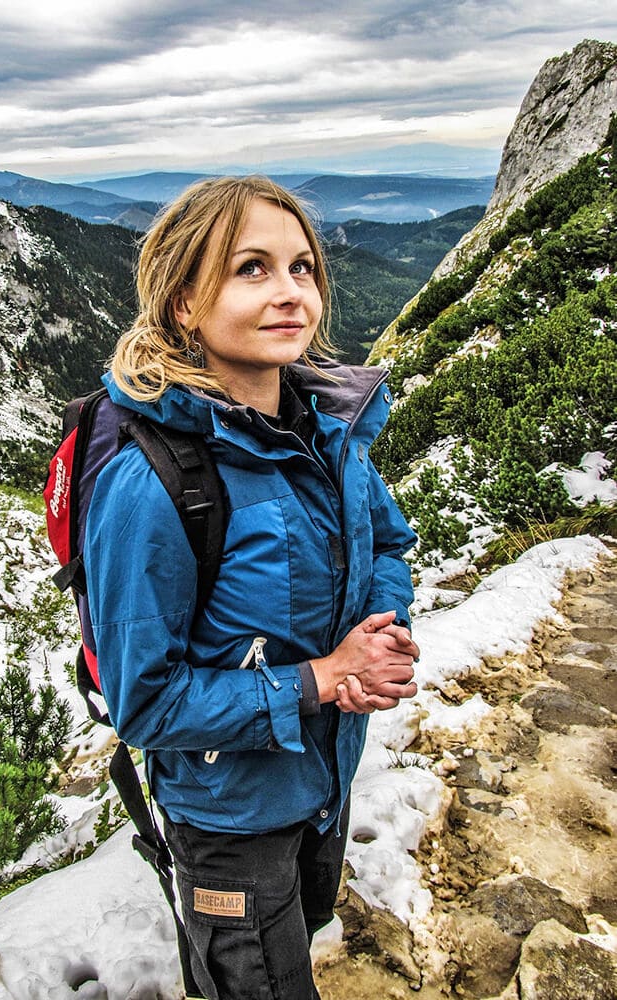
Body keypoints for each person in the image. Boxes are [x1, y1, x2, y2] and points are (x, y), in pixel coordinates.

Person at [84, 175, 419, 1000]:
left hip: (321, 777)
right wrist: (324, 678)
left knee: (285, 949)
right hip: (229, 816)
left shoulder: (325, 432)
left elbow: (385, 539)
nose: (289, 293)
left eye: (302, 268)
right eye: (250, 269)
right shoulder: (152, 483)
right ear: (184, 306)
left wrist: (380, 631)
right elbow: (146, 703)